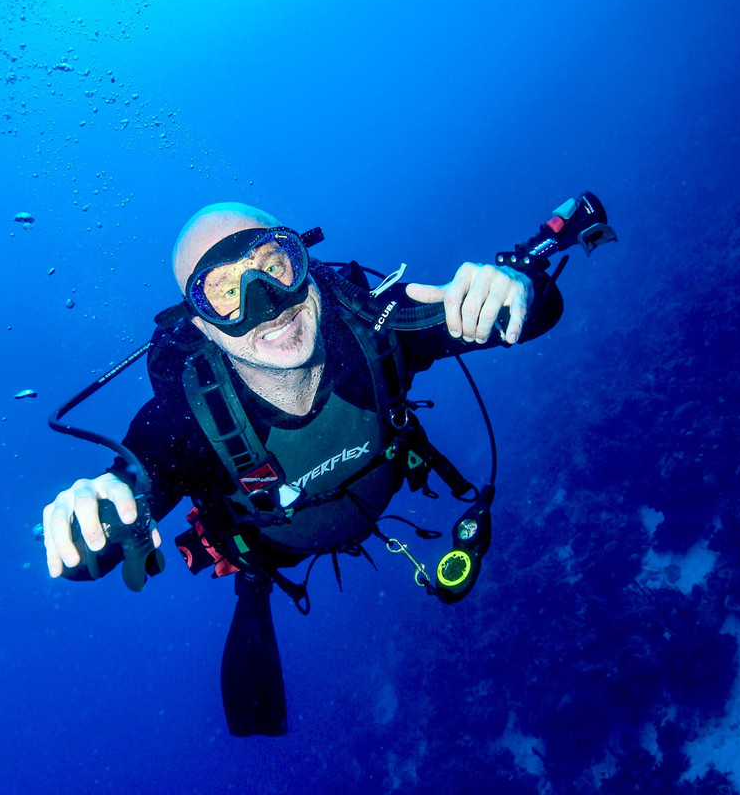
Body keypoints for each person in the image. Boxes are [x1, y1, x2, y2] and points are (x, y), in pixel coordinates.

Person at [41, 201, 567, 735]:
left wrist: (511, 287)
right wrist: (99, 514)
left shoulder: (378, 327)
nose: (264, 304)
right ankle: (253, 583)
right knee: (254, 569)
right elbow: (115, 518)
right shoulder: (186, 422)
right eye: (225, 291)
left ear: (306, 263)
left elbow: (530, 314)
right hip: (275, 547)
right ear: (201, 324)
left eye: (273, 264)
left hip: (383, 482)